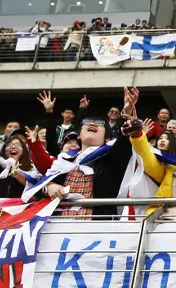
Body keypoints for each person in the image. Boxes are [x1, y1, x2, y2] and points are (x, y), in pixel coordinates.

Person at [37, 88, 138, 218]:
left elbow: (124, 142)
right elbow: (36, 188)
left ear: (107, 138)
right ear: (79, 135)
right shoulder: (65, 160)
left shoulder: (112, 158)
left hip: (96, 230)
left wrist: (127, 114)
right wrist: (48, 187)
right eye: (87, 123)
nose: (92, 124)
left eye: (100, 124)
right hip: (57, 228)